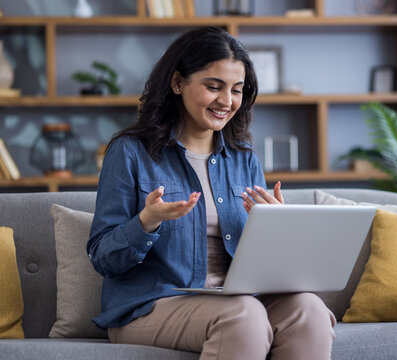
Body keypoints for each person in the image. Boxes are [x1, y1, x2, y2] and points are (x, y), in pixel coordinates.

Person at [86, 26, 336, 360]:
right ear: (177, 83)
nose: (227, 101)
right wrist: (145, 222)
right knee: (243, 314)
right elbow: (102, 256)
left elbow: (260, 261)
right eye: (213, 86)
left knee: (310, 311)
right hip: (152, 304)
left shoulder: (244, 158)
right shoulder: (130, 152)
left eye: (237, 89)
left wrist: (277, 227)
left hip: (236, 298)